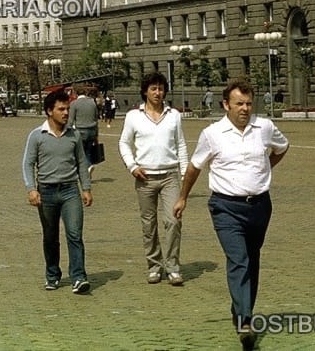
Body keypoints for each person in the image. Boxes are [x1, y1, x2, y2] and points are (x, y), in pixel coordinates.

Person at [173, 79, 288, 350]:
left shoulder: (265, 127)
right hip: (225, 207)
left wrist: (265, 168)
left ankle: (240, 311)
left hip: (260, 205)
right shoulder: (213, 133)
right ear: (226, 105)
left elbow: (282, 147)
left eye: (249, 103)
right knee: (239, 259)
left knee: (252, 259)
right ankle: (246, 321)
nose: (245, 109)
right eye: (239, 104)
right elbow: (194, 167)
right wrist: (182, 197)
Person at [119, 72, 188, 286]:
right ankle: (154, 266)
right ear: (145, 91)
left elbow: (181, 146)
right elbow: (123, 143)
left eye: (160, 88)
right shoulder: (134, 116)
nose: (158, 93)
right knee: (149, 224)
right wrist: (132, 166)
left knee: (173, 221)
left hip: (170, 176)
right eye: (153, 89)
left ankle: (173, 266)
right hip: (145, 177)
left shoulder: (174, 115)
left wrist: (185, 175)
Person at [22, 89, 93, 295]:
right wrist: (31, 189)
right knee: (50, 236)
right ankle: (52, 275)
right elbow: (28, 164)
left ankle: (79, 277)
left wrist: (86, 188)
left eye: (67, 109)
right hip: (47, 193)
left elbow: (81, 163)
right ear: (49, 111)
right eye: (61, 109)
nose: (65, 113)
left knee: (74, 234)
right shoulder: (37, 136)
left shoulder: (74, 135)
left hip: (71, 191)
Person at [68, 85, 101, 176]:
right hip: (92, 130)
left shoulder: (74, 103)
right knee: (88, 151)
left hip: (80, 131)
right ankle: (87, 170)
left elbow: (70, 120)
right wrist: (96, 134)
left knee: (79, 152)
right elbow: (96, 118)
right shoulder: (92, 102)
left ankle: (87, 167)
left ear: (75, 93)